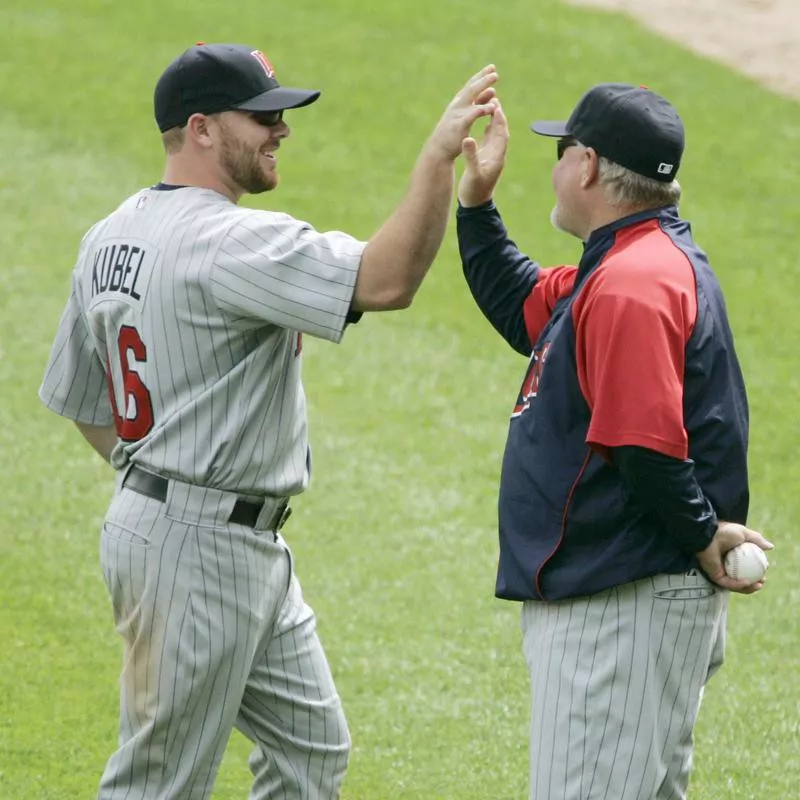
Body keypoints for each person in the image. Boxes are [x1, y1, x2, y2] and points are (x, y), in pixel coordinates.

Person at [39, 42, 498, 799]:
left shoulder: (111, 234)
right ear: (202, 130)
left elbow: (86, 406)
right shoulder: (229, 241)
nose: (280, 130)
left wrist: (153, 477)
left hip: (197, 535)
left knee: (310, 753)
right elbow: (388, 281)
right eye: (262, 118)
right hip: (195, 546)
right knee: (159, 782)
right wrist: (438, 159)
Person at [455, 83, 774, 799]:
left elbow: (644, 444)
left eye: (560, 150)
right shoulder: (631, 261)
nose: (555, 166)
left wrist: (698, 533)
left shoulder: (634, 282)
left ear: (589, 165)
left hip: (620, 607)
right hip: (627, 599)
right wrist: (477, 204)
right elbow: (522, 305)